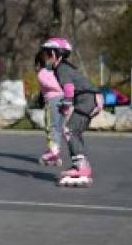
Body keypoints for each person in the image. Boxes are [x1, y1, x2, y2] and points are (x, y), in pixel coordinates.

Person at [40, 37, 100, 186]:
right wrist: (66, 104)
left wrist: (66, 103)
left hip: (86, 100)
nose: (46, 58)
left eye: (48, 54)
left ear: (55, 54)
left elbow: (69, 89)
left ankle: (81, 167)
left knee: (69, 130)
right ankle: (80, 165)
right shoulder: (66, 67)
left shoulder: (62, 69)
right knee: (74, 131)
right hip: (88, 99)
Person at [35, 49, 65, 166]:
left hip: (53, 101)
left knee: (51, 126)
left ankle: (53, 151)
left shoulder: (42, 73)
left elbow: (55, 86)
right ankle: (54, 150)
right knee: (57, 127)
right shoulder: (55, 72)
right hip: (61, 99)